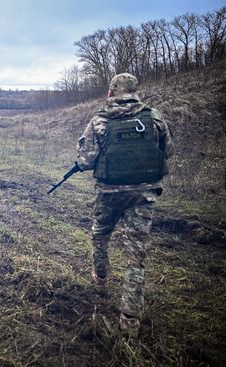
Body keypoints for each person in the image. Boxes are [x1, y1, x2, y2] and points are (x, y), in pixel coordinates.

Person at [76, 73, 173, 336]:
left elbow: (85, 160)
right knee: (136, 254)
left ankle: (101, 279)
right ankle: (130, 319)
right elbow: (168, 150)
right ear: (135, 91)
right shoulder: (153, 117)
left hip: (109, 192)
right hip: (144, 194)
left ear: (110, 93)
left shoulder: (99, 121)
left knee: (100, 234)